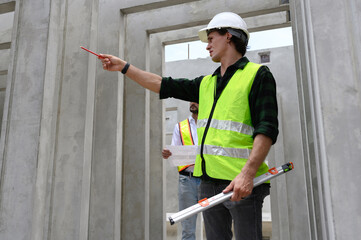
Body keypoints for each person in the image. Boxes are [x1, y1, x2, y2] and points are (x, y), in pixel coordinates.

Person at [98, 12, 278, 240]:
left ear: (229, 36)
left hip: (241, 184)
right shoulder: (207, 83)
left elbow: (267, 128)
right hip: (209, 183)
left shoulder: (258, 75)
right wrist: (124, 67)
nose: (207, 46)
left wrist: (248, 174)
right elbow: (163, 84)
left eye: (211, 38)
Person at [162, 102, 200, 240]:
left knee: (214, 224)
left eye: (195, 99)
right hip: (186, 180)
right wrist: (168, 153)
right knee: (188, 228)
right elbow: (175, 151)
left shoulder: (211, 125)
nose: (192, 103)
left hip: (208, 179)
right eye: (191, 100)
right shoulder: (180, 126)